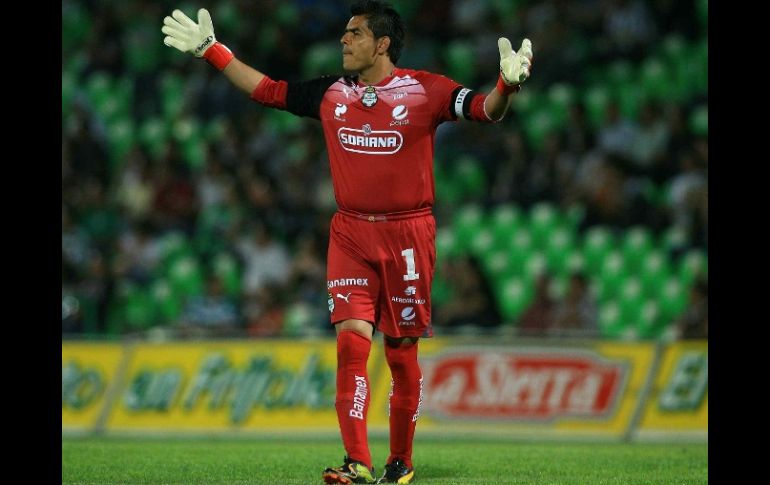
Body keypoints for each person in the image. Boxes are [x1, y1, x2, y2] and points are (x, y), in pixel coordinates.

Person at [161, 2, 533, 483]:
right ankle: (357, 462)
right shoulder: (331, 93)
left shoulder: (425, 90)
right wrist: (213, 51)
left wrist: (507, 85)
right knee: (351, 345)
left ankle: (400, 462)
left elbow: (485, 111)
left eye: (354, 34)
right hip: (351, 232)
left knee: (401, 353)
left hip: (408, 235)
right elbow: (268, 90)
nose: (343, 41)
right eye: (344, 33)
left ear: (381, 44)